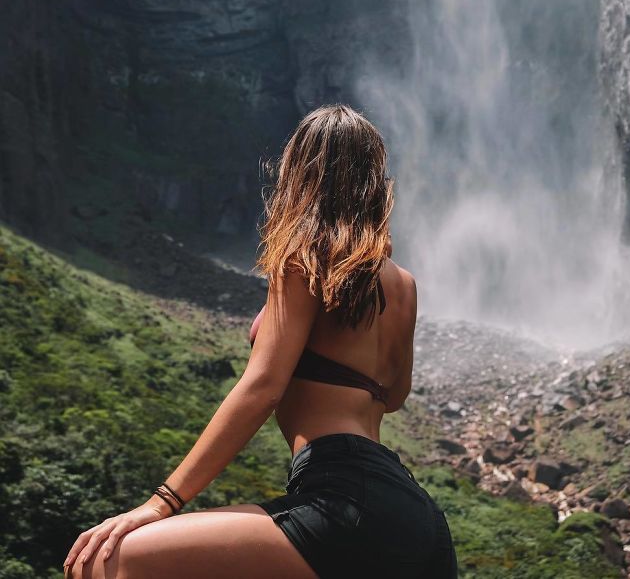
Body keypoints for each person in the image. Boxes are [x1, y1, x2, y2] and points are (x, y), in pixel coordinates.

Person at [63, 104, 458, 579]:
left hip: (341, 496)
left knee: (106, 562)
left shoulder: (305, 256)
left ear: (299, 173)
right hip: (413, 516)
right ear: (374, 180)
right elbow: (393, 396)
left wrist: (161, 502)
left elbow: (262, 387)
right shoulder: (404, 285)